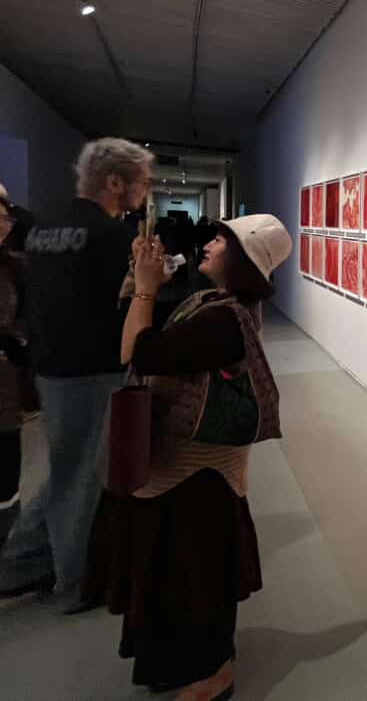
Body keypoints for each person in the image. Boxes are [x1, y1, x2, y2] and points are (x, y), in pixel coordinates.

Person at [85, 214, 291, 701]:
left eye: (222, 239)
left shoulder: (224, 318)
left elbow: (139, 353)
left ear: (242, 258)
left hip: (199, 473)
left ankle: (214, 671)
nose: (209, 244)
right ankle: (179, 662)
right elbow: (135, 339)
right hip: (182, 470)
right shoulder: (210, 302)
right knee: (175, 573)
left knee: (195, 575)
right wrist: (141, 284)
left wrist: (145, 289)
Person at [0, 138, 153, 612]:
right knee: (83, 475)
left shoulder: (44, 226)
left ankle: (24, 561)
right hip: (92, 368)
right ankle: (72, 576)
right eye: (142, 181)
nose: (145, 191)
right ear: (115, 182)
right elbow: (122, 306)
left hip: (51, 366)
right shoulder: (109, 235)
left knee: (68, 467)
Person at [0, 194, 36, 516]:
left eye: (4, 219)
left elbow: (29, 318)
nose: (2, 226)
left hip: (6, 379)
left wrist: (16, 340)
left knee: (6, 465)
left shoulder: (17, 267)